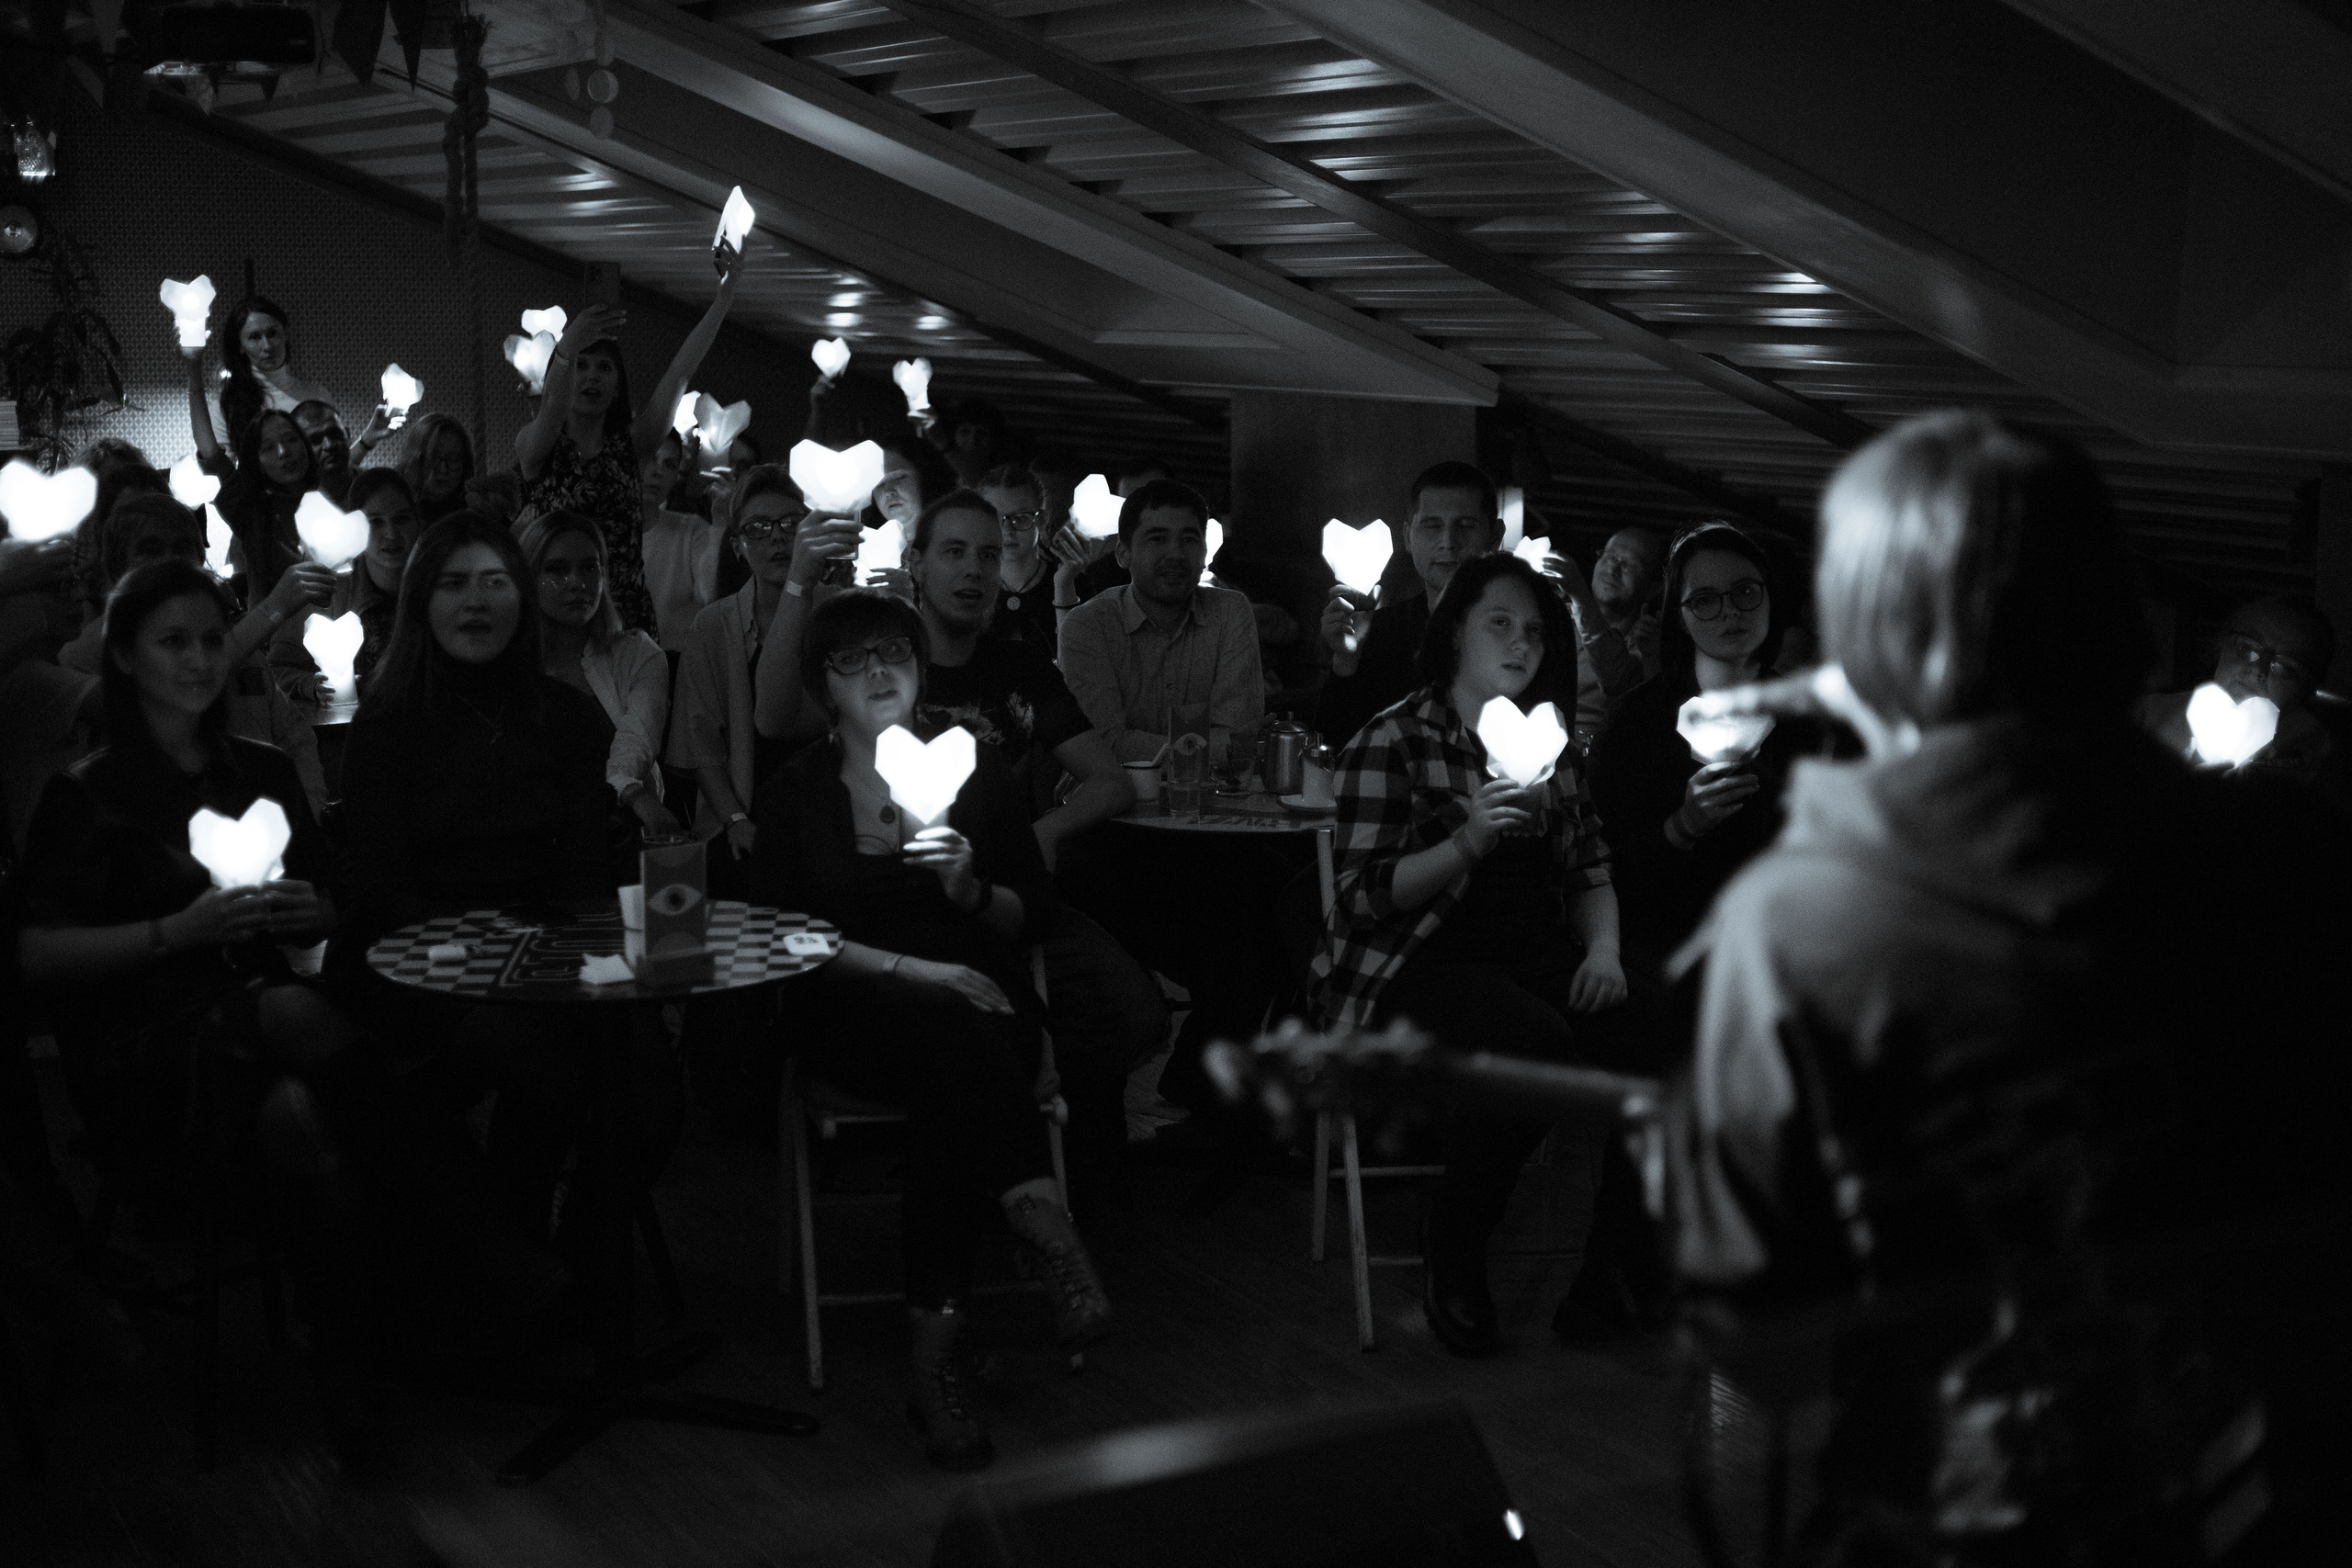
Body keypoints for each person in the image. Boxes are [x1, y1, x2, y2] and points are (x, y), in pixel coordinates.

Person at [1668, 409, 2347, 1562]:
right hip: (2256, 1483)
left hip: (1964, 1502)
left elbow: (1764, 1335)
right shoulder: (2291, 848)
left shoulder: (1808, 917)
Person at [750, 590, 1112, 1472]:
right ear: (822, 686)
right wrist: (916, 970)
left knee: (956, 1069)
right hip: (856, 1004)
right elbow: (781, 937)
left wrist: (969, 891)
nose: (879, 671)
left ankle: (935, 1366)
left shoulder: (970, 767)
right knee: (957, 1040)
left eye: (895, 652)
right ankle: (1044, 1233)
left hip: (977, 999)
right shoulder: (797, 791)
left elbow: (1034, 914)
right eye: (852, 659)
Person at [1310, 552, 1646, 1358]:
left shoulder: (1550, 746)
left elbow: (1589, 866)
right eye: (1500, 622)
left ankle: (1615, 1276)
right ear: (1456, 630)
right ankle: (1456, 1238)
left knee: (1654, 1032)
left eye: (1534, 630)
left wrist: (1604, 950)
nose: (1521, 642)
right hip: (1415, 962)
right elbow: (1363, 897)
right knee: (1533, 1041)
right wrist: (1468, 838)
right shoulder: (1394, 737)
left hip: (1533, 953)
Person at [338, 515, 646, 1257]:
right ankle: (518, 1254)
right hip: (416, 960)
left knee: (643, 1072)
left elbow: (583, 873)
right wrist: (490, 952)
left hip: (545, 948)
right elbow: (379, 886)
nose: (475, 601)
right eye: (453, 584)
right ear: (422, 600)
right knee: (546, 1058)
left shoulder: (566, 717)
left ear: (521, 599)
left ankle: (575, 1253)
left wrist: (562, 954)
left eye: (494, 582)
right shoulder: (385, 724)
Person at [903, 490, 1165, 1202]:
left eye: (988, 555)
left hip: (1010, 894)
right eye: (954, 552)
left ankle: (1036, 1142)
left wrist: (1045, 831)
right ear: (915, 564)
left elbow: (1111, 781)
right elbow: (780, 718)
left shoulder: (1019, 668)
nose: (974, 569)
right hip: (907, 900)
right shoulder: (883, 660)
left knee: (1132, 1013)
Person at [1588, 521, 1836, 978]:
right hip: (1671, 948)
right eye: (1704, 600)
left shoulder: (1808, 719)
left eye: (1746, 592)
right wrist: (1682, 827)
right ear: (1679, 615)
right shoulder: (1636, 723)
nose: (1730, 612)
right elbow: (1602, 866)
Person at [514, 253, 741, 635]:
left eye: (604, 368)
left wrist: (725, 296)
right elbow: (552, 406)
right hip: (554, 617)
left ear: (618, 385)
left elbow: (681, 372)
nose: (592, 376)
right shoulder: (536, 444)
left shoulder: (633, 443)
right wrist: (567, 348)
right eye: (582, 366)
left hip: (624, 619)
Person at [59, 494, 331, 813]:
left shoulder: (223, 632)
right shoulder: (91, 650)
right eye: (150, 550)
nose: (170, 561)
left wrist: (308, 812)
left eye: (182, 547)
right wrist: (273, 609)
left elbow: (293, 737)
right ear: (118, 568)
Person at [671, 466, 821, 879]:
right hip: (746, 808)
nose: (778, 537)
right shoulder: (712, 625)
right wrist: (736, 821)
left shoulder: (837, 611)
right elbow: (701, 746)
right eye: (758, 528)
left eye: (791, 524)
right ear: (737, 546)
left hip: (827, 805)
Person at [1057, 477, 1264, 761]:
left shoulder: (1230, 612)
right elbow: (1104, 746)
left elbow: (1238, 739)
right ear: (1123, 554)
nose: (1176, 554)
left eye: (1189, 539)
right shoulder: (1089, 625)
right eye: (1158, 539)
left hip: (1210, 789)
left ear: (1205, 552)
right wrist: (1211, 748)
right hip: (1115, 789)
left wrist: (1225, 747)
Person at [1315, 461, 1505, 750]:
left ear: (1495, 535)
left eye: (1466, 525)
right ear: (1407, 537)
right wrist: (1345, 661)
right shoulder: (1377, 632)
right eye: (1432, 526)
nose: (1448, 542)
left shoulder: (1518, 634)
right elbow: (1336, 747)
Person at [517, 509, 682, 841]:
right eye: (557, 569)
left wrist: (630, 792)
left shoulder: (639, 655)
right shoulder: (513, 663)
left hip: (617, 829)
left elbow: (636, 743)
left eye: (589, 567)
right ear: (528, 578)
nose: (576, 583)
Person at [2139, 594, 2344, 806]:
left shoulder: (2321, 760)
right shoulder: (2143, 717)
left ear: (2307, 689)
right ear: (2221, 647)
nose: (2258, 669)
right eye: (2247, 648)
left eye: (2286, 667)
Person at [267, 467, 416, 705]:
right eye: (375, 522)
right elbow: (277, 667)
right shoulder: (330, 590)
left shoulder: (436, 584)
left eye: (401, 519)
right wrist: (311, 685)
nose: (391, 533)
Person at [637, 428, 728, 659]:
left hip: (673, 661)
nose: (657, 471)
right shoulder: (599, 530)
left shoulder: (690, 529)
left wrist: (720, 522)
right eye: (651, 459)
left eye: (669, 464)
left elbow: (709, 595)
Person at [210, 294, 336, 453]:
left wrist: (364, 442)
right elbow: (223, 465)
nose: (267, 346)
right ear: (240, 345)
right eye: (255, 337)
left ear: (285, 334)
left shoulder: (317, 395)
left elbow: (337, 460)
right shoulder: (227, 405)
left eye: (272, 334)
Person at [978, 463, 1059, 650]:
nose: (1007, 530)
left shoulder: (1068, 583)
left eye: (1020, 518)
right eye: (996, 518)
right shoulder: (969, 585)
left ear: (1042, 519)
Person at [401, 412, 482, 525]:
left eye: (453, 458)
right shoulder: (398, 510)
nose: (443, 469)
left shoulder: (476, 513)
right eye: (433, 458)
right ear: (416, 460)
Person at [292, 400, 357, 507]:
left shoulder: (377, 484)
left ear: (348, 434)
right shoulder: (295, 504)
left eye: (334, 433)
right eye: (315, 440)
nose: (329, 445)